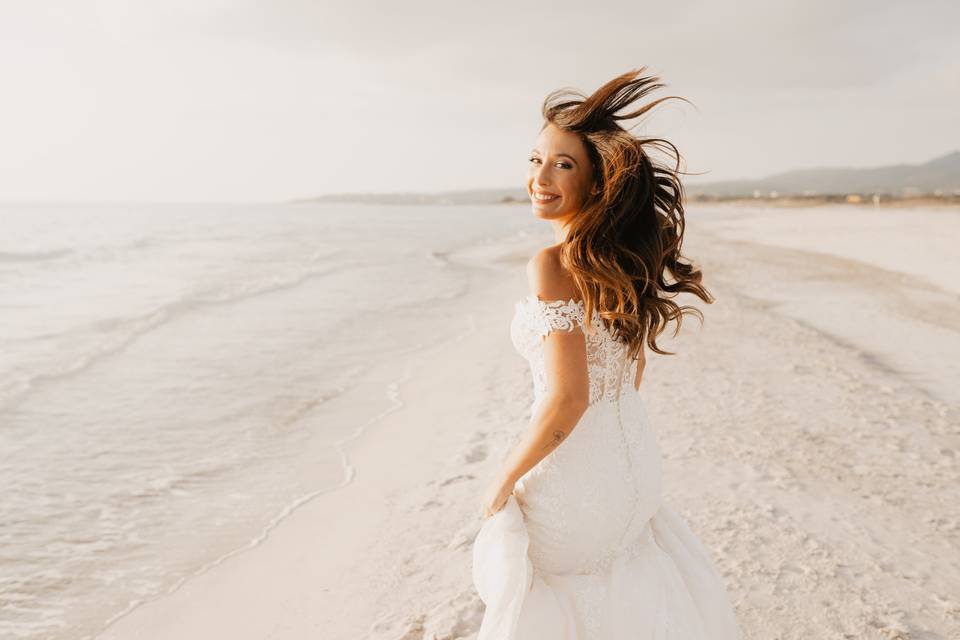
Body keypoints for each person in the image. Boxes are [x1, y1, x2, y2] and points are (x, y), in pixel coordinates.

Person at [471, 67, 743, 639]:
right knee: (625, 590)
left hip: (576, 481)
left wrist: (502, 479)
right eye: (535, 159)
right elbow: (628, 370)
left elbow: (569, 397)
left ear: (596, 183)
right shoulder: (616, 263)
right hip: (633, 467)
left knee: (551, 599)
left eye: (562, 164)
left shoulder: (552, 265)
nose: (539, 177)